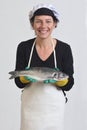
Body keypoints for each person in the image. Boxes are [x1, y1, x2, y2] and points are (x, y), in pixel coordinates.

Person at [15, 3, 74, 130]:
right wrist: (24, 77)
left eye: (48, 21)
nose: (43, 26)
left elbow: (70, 83)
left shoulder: (64, 49)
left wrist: (62, 80)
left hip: (54, 110)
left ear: (54, 24)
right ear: (32, 24)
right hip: (30, 109)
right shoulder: (24, 47)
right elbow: (18, 82)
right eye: (38, 22)